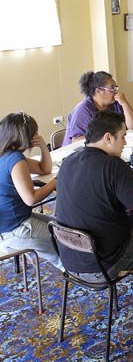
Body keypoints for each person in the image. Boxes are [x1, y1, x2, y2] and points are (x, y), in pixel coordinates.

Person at [56, 111, 133, 279]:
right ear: (108, 138)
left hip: (69, 260)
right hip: (104, 263)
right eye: (122, 137)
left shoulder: (67, 162)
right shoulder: (114, 165)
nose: (125, 142)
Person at [0, 112, 62, 269]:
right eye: (34, 132)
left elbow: (44, 168)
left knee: (65, 228)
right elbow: (31, 199)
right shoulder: (15, 160)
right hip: (17, 229)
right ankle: (80, 274)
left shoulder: (8, 155)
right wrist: (55, 182)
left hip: (13, 224)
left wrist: (42, 146)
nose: (37, 134)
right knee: (68, 242)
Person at [63, 70, 133, 146]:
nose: (116, 91)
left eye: (116, 87)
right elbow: (76, 141)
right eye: (112, 88)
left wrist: (124, 103)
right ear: (98, 91)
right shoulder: (83, 110)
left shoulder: (115, 102)